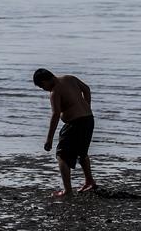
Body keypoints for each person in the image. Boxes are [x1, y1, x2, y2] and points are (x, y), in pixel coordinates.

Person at [33, 68, 96, 197]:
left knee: (62, 154)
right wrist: (87, 106)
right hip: (88, 119)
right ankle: (89, 181)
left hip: (75, 123)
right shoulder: (69, 78)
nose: (43, 89)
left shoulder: (55, 92)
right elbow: (87, 89)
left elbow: (55, 114)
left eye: (41, 86)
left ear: (45, 81)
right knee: (82, 152)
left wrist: (49, 138)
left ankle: (67, 190)